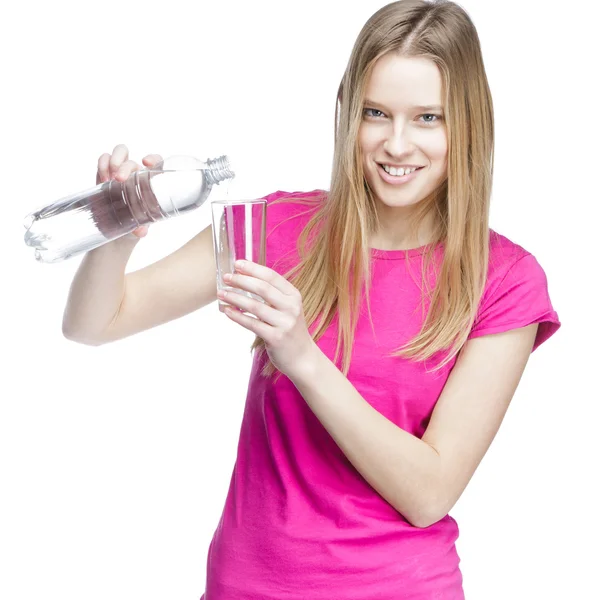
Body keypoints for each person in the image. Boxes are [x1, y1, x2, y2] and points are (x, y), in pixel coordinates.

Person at [62, 0, 561, 598]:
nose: (397, 144)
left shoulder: (504, 279)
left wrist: (301, 356)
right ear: (349, 113)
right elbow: (94, 323)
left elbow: (429, 493)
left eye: (428, 118)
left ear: (469, 122)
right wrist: (117, 227)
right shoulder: (277, 228)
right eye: (377, 113)